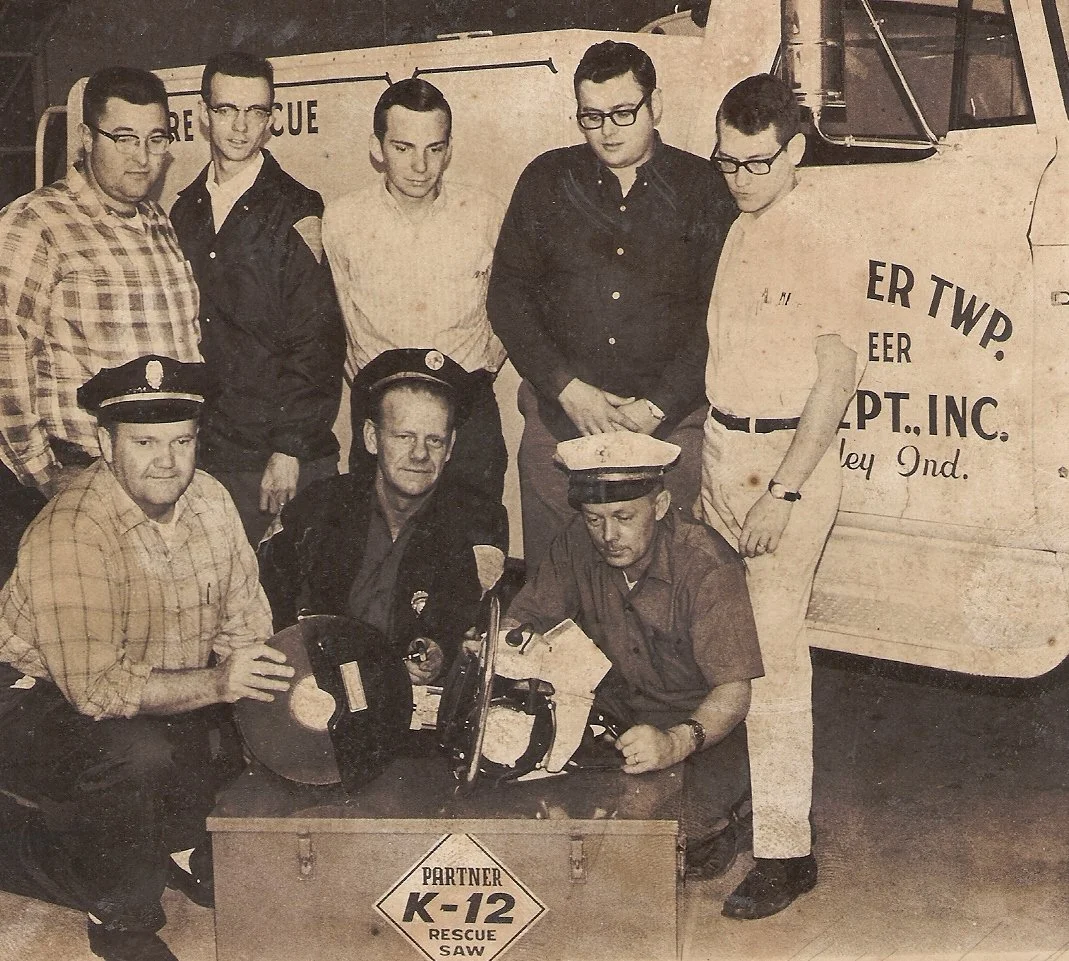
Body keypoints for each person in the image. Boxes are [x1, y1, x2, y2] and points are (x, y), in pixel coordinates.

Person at [0, 355, 291, 961]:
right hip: (36, 701)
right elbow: (98, 691)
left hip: (159, 689)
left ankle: (171, 844)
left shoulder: (209, 498)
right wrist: (217, 683)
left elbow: (247, 626)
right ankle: (120, 916)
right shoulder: (72, 530)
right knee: (139, 755)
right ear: (106, 444)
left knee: (236, 731)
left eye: (181, 441)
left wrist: (249, 684)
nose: (167, 460)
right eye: (145, 442)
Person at [699, 73, 867, 920]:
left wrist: (784, 491)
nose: (738, 177)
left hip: (785, 468)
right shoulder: (739, 227)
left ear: (794, 150)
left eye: (755, 163)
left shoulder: (822, 236)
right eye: (725, 162)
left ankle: (785, 851)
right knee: (722, 648)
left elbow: (835, 381)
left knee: (772, 661)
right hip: (726, 455)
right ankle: (752, 812)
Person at [487, 39, 738, 568]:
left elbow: (723, 317)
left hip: (671, 433)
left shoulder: (703, 189)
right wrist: (567, 390)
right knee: (557, 591)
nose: (608, 129)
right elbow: (508, 297)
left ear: (656, 105)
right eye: (591, 116)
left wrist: (658, 405)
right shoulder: (545, 179)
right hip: (560, 427)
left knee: (669, 593)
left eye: (625, 113)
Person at [505, 430, 763, 876]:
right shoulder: (577, 542)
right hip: (610, 719)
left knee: (650, 855)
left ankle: (737, 816)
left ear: (660, 507)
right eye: (594, 519)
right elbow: (527, 617)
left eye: (624, 517)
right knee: (531, 813)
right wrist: (509, 641)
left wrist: (676, 742)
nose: (608, 536)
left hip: (701, 731)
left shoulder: (707, 566)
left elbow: (734, 692)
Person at [0, 66, 201, 578]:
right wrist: (45, 477)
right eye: (124, 138)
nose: (143, 157)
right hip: (77, 474)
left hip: (160, 477)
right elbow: (6, 357)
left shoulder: (158, 222)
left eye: (157, 139)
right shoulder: (34, 223)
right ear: (87, 139)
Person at [170, 51, 344, 547]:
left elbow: (319, 340)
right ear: (204, 114)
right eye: (226, 110)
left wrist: (288, 450)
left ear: (272, 118)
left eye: (256, 112)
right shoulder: (185, 210)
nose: (240, 127)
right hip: (207, 451)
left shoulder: (296, 208)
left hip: (275, 457)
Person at [259, 348, 509, 685]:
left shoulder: (475, 523)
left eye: (434, 440)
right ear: (372, 438)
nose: (420, 454)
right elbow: (269, 607)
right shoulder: (319, 507)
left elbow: (461, 623)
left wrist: (438, 654)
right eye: (404, 436)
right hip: (314, 688)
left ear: (450, 448)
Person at [322, 78, 507, 502]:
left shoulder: (485, 214)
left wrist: (483, 373)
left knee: (473, 545)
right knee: (382, 549)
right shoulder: (343, 220)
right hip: (381, 409)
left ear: (449, 149)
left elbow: (510, 309)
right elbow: (338, 314)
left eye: (434, 148)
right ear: (377, 147)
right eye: (403, 147)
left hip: (469, 410)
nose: (420, 166)